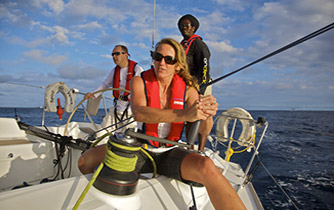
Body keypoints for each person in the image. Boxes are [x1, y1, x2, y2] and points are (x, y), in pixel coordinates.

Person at [78, 38, 246, 210]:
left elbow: (202, 129)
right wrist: (185, 113)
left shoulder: (189, 89)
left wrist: (207, 114)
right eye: (158, 57)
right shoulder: (139, 81)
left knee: (207, 166)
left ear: (178, 65)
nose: (162, 63)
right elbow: (139, 113)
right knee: (85, 161)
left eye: (169, 59)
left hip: (171, 151)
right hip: (141, 149)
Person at [84, 45, 144, 136]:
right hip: (117, 109)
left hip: (131, 112)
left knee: (128, 138)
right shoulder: (115, 71)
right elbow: (105, 84)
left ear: (126, 55)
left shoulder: (137, 70)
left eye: (117, 54)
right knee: (102, 133)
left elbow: (143, 90)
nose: (114, 57)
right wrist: (93, 94)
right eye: (112, 54)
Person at [178, 14, 212, 152]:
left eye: (186, 25)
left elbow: (205, 68)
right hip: (187, 86)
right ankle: (190, 148)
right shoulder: (181, 45)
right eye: (181, 26)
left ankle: (201, 150)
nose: (183, 28)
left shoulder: (198, 44)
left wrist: (200, 90)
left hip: (201, 84)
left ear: (193, 27)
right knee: (189, 118)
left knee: (203, 116)